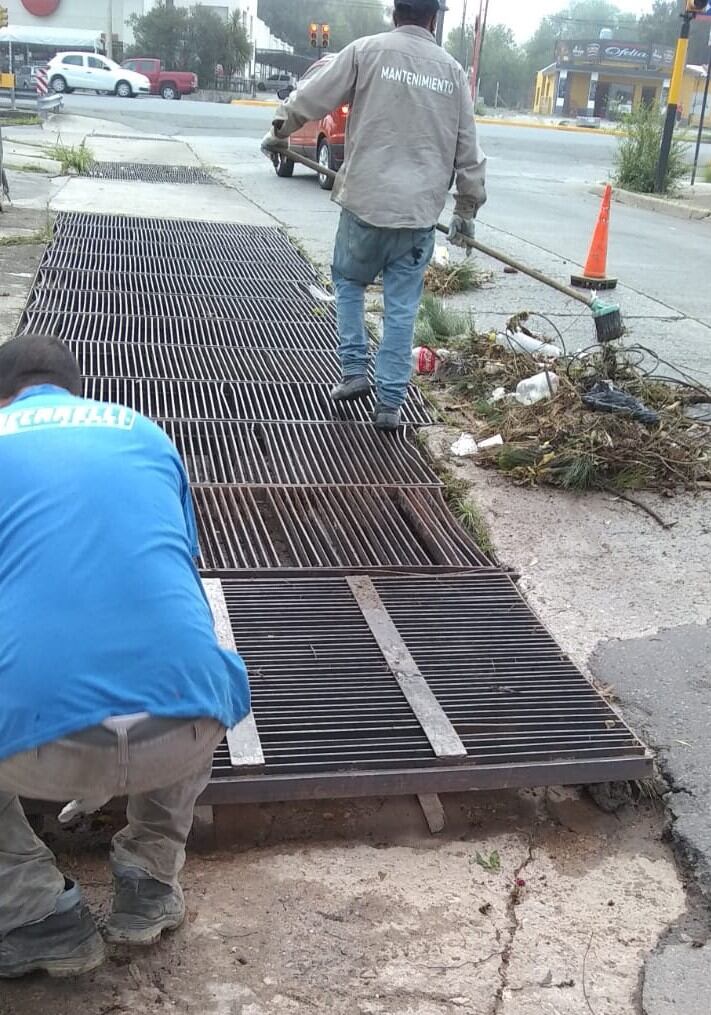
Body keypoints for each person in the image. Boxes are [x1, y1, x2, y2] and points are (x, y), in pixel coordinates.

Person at [0, 335, 250, 978]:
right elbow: (176, 567)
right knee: (193, 650)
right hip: (185, 729)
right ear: (75, 390)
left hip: (41, 751)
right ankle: (149, 882)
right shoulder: (144, 434)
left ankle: (35, 916)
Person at [262, 0, 487, 430]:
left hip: (365, 203)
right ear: (434, 19)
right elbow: (469, 153)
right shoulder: (453, 73)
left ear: (394, 14)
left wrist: (279, 130)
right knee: (401, 308)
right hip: (417, 217)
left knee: (348, 281)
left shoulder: (366, 51)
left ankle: (352, 371)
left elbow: (313, 95)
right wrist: (465, 209)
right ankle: (389, 403)